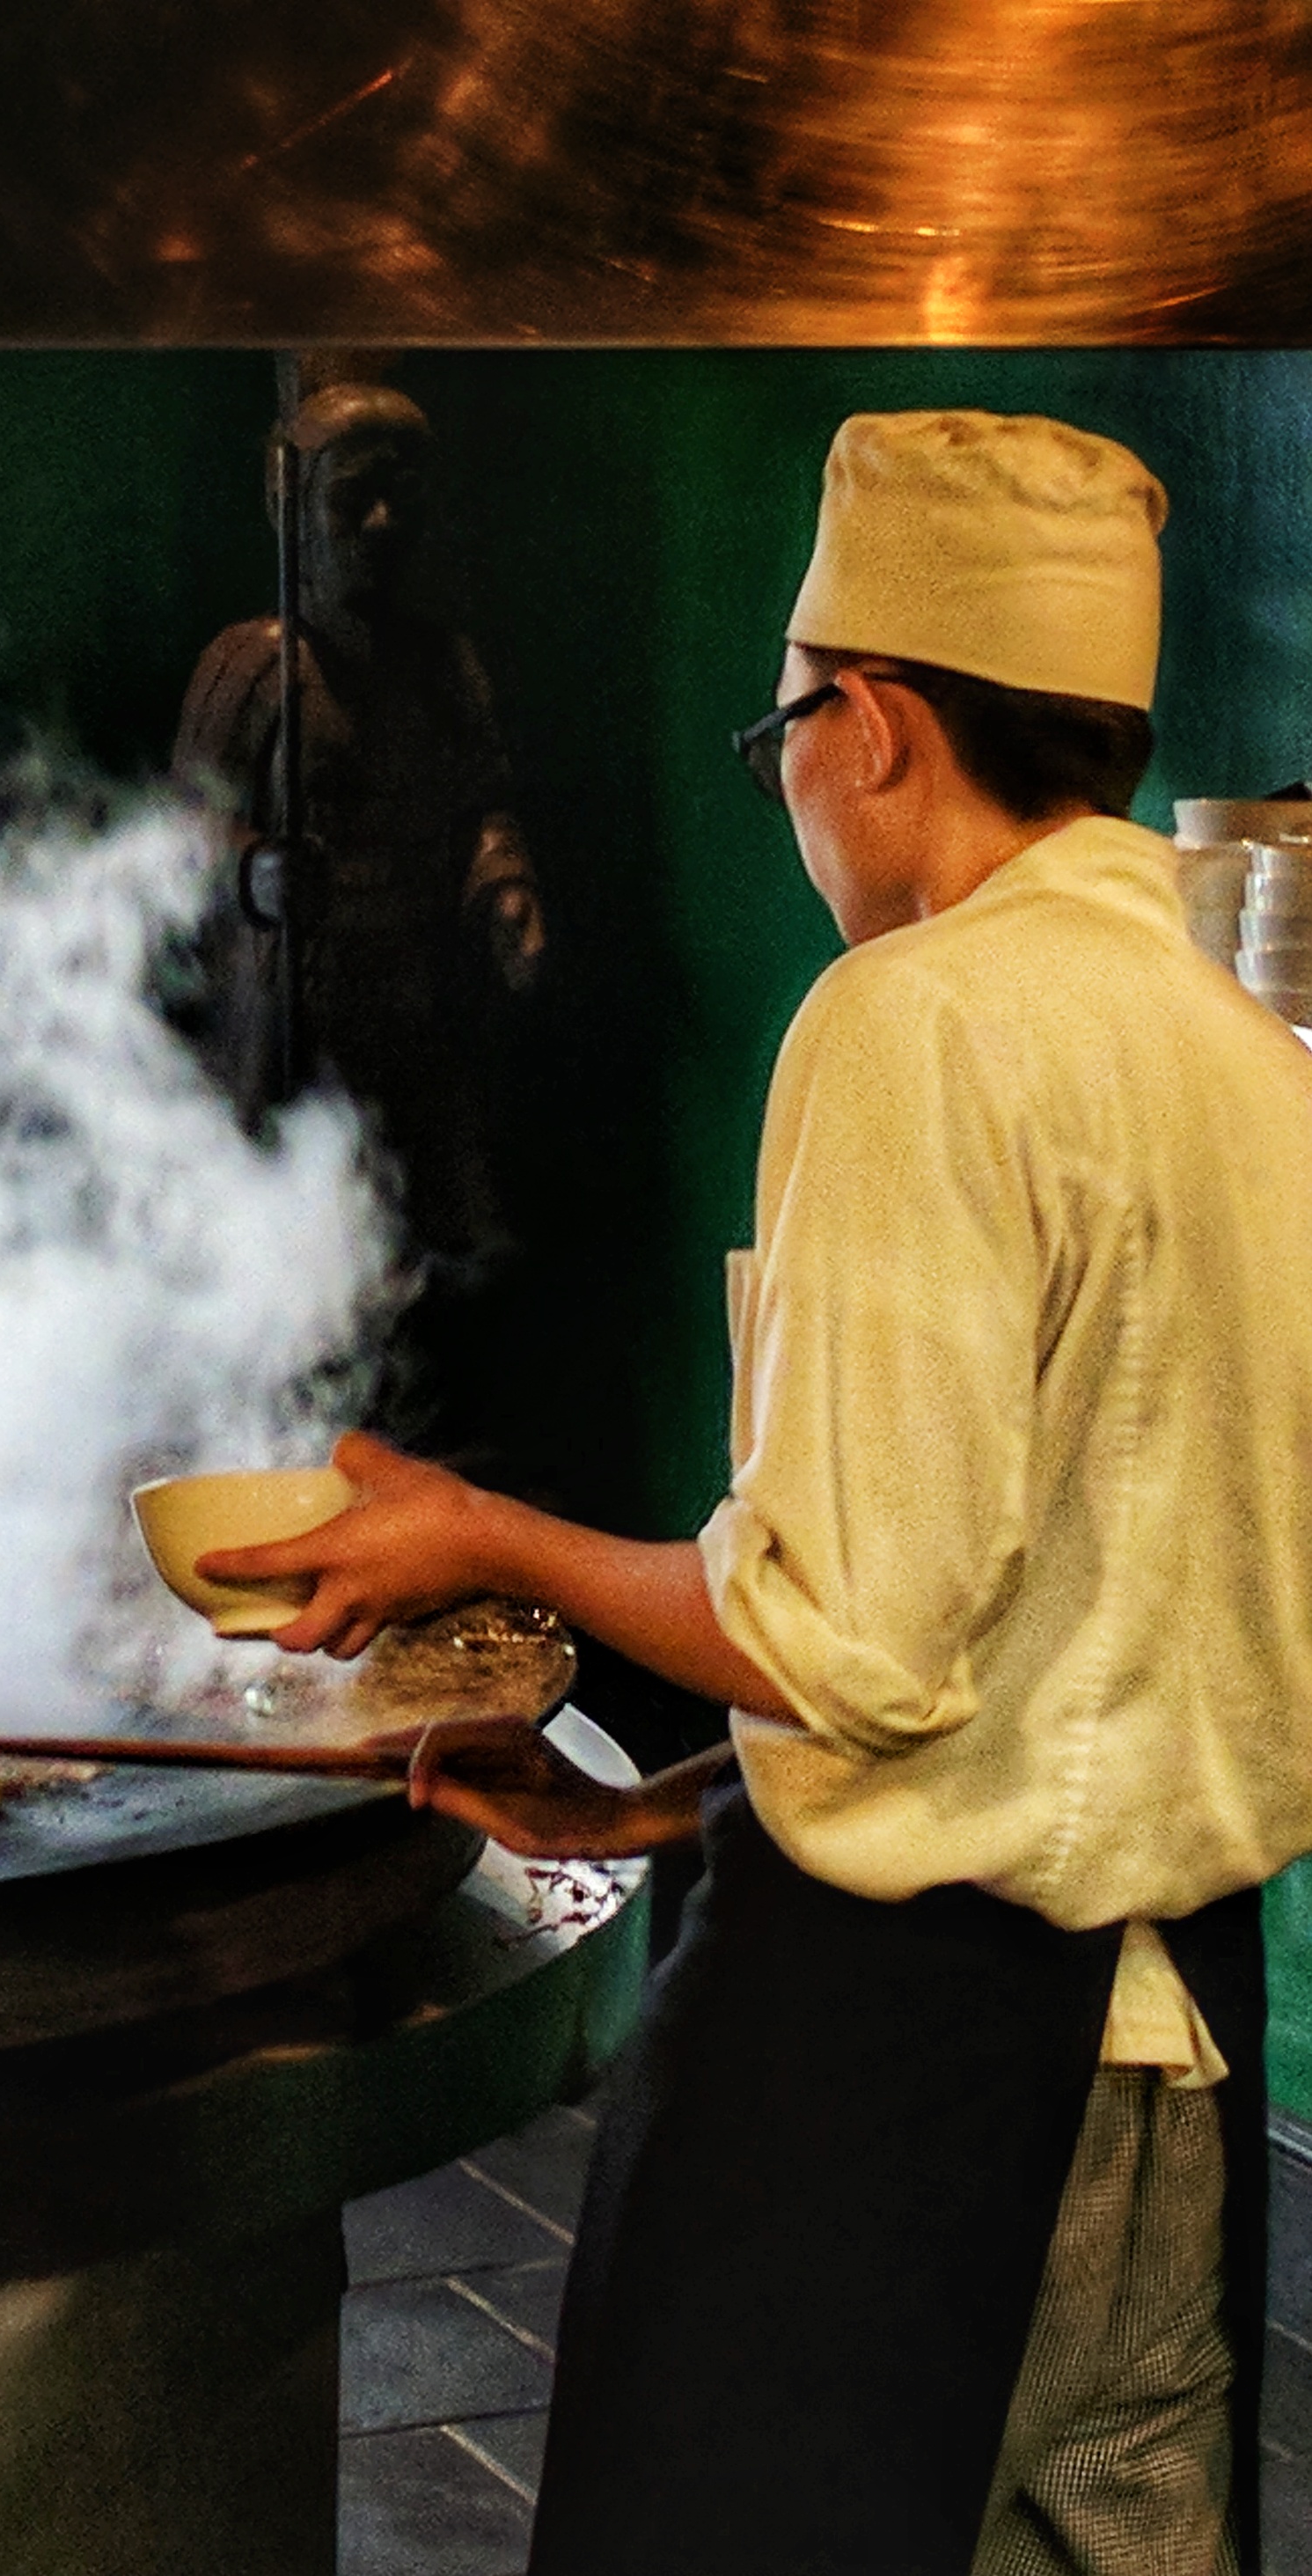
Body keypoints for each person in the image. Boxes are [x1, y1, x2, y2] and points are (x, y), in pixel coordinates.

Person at [200, 410, 1312, 2575]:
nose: (783, 773)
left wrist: (471, 1528)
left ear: (873, 720)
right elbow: (1096, 1611)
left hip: (901, 2074)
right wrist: (682, 1800)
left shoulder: (911, 1023)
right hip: (1166, 2068)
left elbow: (862, 1640)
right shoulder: (1248, 1058)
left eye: (780, 725)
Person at [172, 369, 545, 1456]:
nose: (381, 526)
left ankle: (418, 1451)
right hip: (299, 1019)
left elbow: (480, 805)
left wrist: (500, 884)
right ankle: (288, 1444)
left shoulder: (441, 668)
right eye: (352, 502)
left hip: (415, 1004)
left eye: (400, 500)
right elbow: (181, 839)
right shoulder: (256, 668)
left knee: (438, 1241)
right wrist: (253, 875)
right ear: (293, 508)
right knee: (295, 1246)